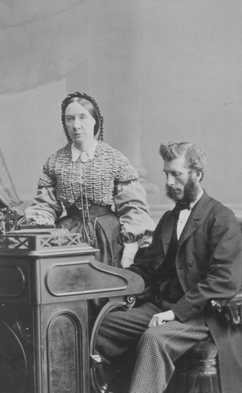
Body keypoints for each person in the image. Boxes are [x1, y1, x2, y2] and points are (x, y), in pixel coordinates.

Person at [96, 142, 242, 393]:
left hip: (201, 314)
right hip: (162, 305)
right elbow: (147, 268)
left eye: (176, 174)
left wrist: (175, 312)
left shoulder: (221, 218)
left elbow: (224, 281)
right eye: (166, 174)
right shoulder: (170, 219)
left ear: (197, 174)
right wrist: (110, 285)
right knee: (101, 327)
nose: (169, 182)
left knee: (155, 338)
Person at [24, 92, 155, 268]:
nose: (76, 125)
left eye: (82, 117)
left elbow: (133, 207)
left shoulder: (115, 159)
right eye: (69, 119)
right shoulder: (55, 162)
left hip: (109, 236)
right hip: (69, 238)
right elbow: (45, 205)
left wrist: (130, 251)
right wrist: (42, 219)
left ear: (95, 121)